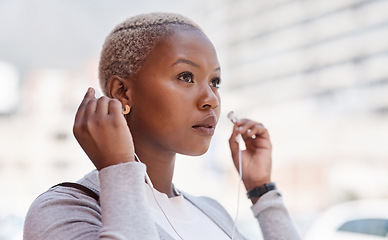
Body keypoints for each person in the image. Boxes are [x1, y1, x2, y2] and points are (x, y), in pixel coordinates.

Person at [23, 12, 300, 240]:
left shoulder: (211, 212)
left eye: (215, 82)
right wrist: (118, 169)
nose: (211, 100)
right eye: (186, 76)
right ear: (122, 92)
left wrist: (263, 193)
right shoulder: (63, 210)